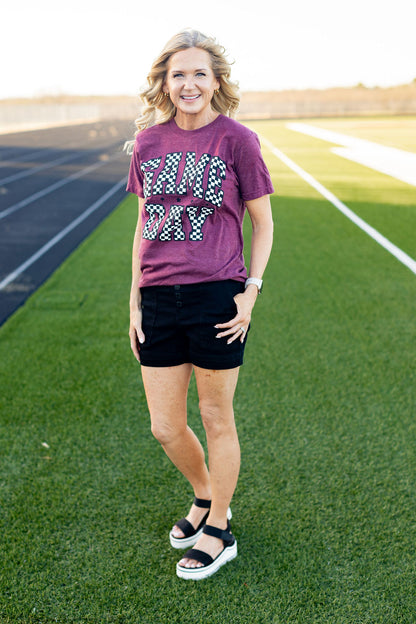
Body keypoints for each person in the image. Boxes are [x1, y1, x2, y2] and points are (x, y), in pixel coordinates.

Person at [126, 28, 274, 581]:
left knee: (215, 417)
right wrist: (135, 298)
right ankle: (209, 494)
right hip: (160, 295)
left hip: (218, 295)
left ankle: (218, 530)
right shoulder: (147, 144)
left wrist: (251, 291)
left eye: (200, 74)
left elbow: (263, 223)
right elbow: (144, 223)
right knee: (165, 427)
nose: (189, 83)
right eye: (178, 74)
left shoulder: (237, 141)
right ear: (165, 82)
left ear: (216, 83)